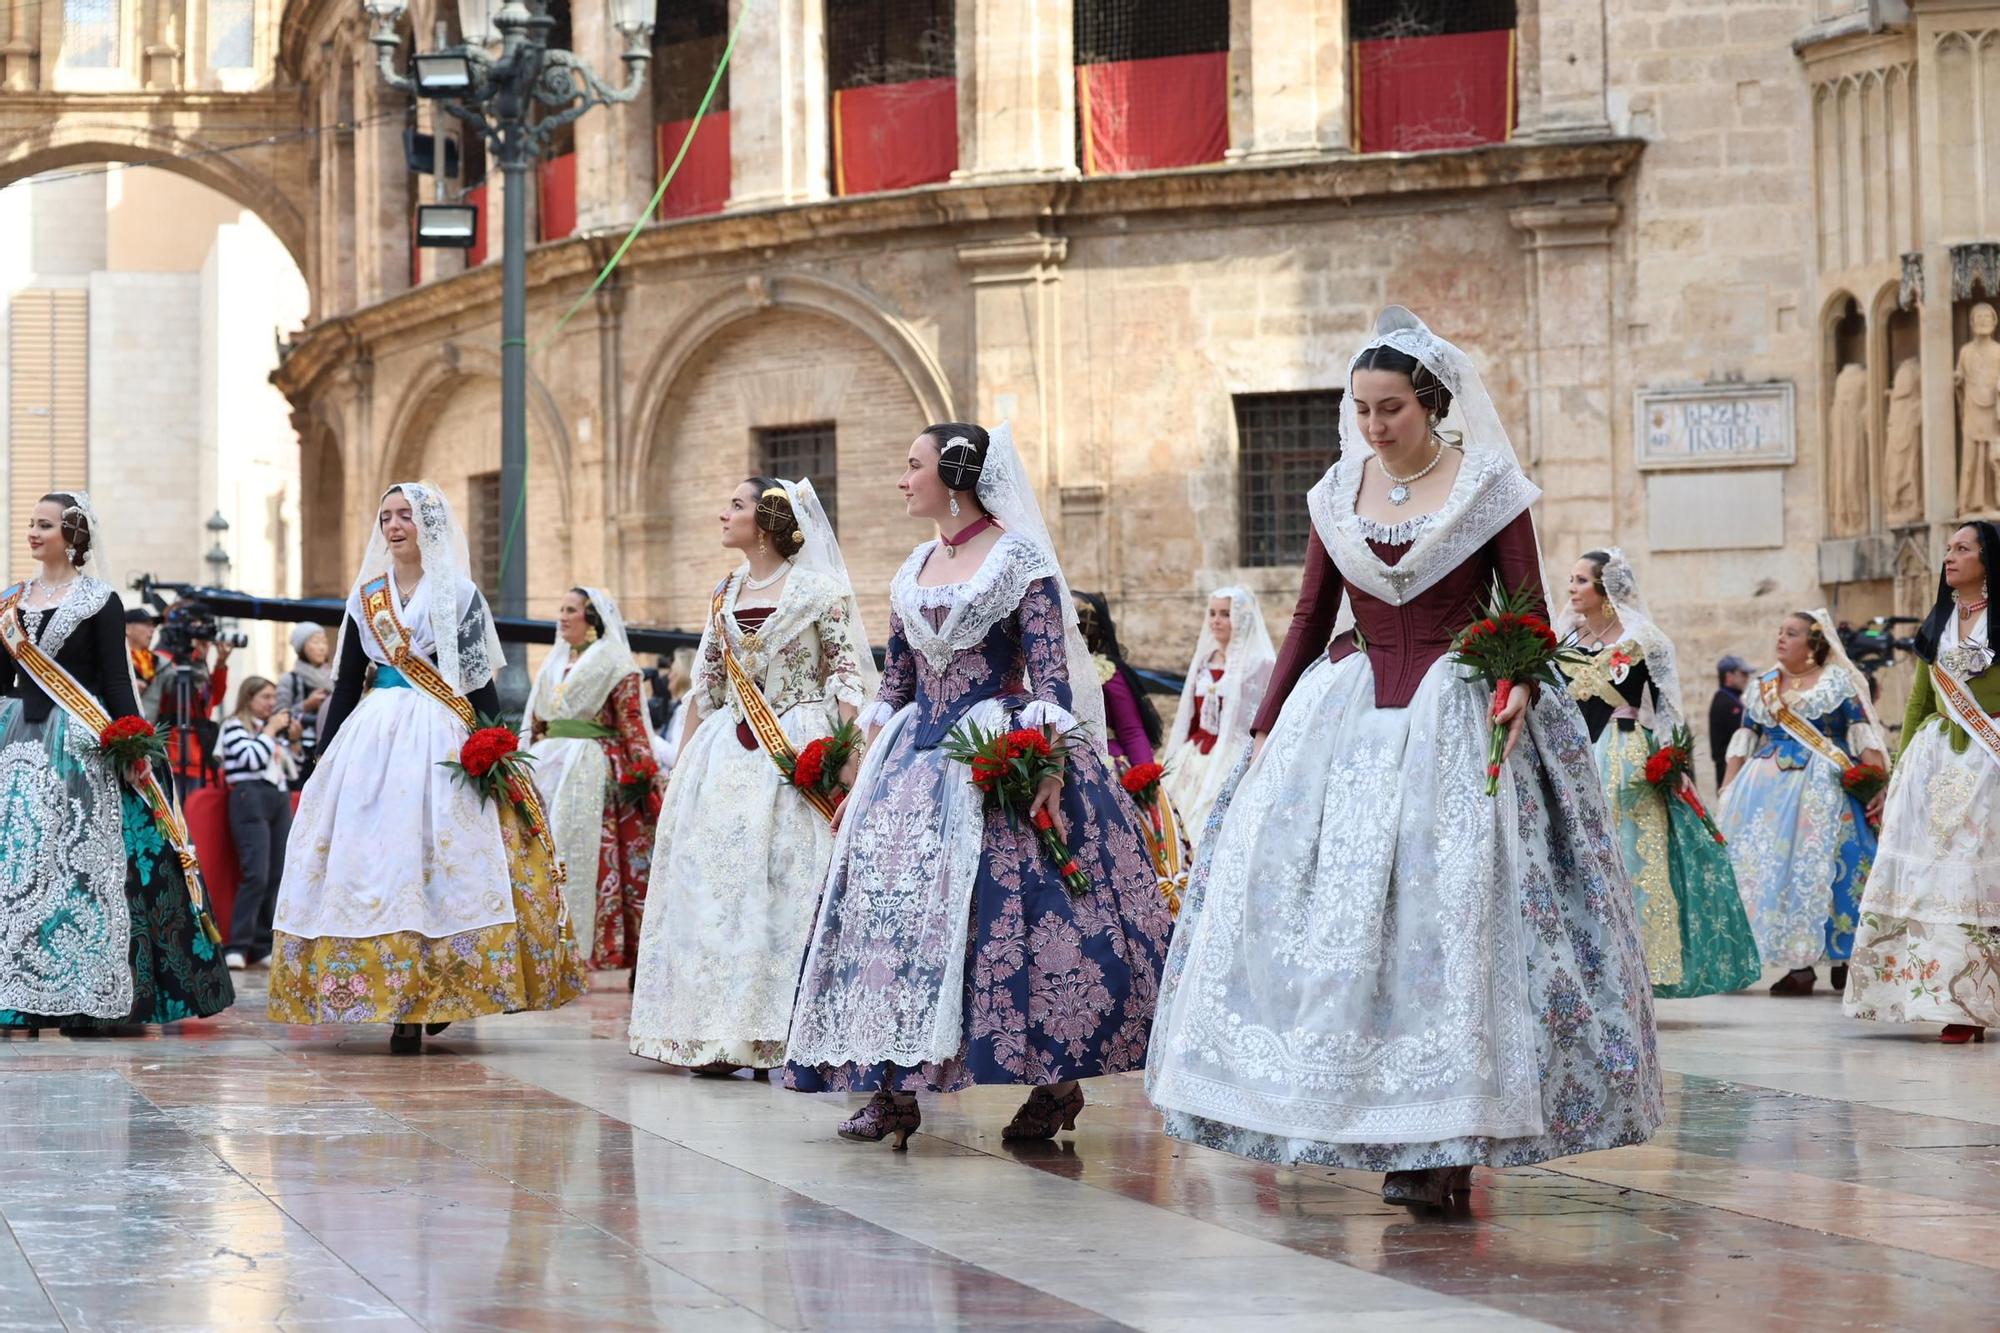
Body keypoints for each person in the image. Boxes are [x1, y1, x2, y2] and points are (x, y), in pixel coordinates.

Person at [1145, 308, 1662, 1211]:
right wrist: (1263, 734)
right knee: (1337, 922)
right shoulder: (1336, 493)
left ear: (1429, 403)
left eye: (1390, 408)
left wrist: (1521, 684)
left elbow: (1529, 612)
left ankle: (1443, 1137)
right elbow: (1309, 617)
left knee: (1450, 918)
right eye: (1363, 409)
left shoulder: (1490, 487)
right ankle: (1346, 1105)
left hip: (1459, 718)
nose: (1374, 426)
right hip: (1345, 720)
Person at [784, 423, 1171, 1149]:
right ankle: (891, 1090)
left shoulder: (1018, 560)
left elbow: (1053, 677)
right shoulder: (913, 566)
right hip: (911, 765)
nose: (902, 479)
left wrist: (1049, 769)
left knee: (1004, 925)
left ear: (955, 474)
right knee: (889, 923)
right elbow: (896, 682)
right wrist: (860, 770)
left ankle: (1055, 1085)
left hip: (995, 752)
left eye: (912, 465)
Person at [268, 482, 585, 1053]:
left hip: (440, 732)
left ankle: (435, 990)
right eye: (386, 516)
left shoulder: (458, 594)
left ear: (429, 526)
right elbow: (345, 683)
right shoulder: (364, 597)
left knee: (441, 859)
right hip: (372, 738)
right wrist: (323, 755)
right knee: (378, 861)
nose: (393, 525)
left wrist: (498, 747)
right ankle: (396, 996)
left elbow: (479, 679)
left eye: (406, 516)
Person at [628, 479, 874, 1074]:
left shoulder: (820, 591)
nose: (723, 513)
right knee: (718, 889)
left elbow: (846, 678)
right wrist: (680, 768)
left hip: (796, 748)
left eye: (736, 505)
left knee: (785, 887)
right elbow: (704, 689)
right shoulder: (723, 593)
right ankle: (718, 1033)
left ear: (765, 522)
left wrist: (847, 762)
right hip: (726, 754)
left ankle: (786, 1032)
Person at [0, 492, 233, 1035]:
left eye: (46, 525)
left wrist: (131, 745)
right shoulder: (10, 600)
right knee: (18, 864)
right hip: (15, 744)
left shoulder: (100, 601)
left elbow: (113, 683)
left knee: (81, 866)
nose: (33, 533)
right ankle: (16, 995)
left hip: (78, 744)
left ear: (73, 536)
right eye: (31, 524)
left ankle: (87, 994)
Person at [1557, 550, 1761, 999]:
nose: (1570, 589)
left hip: (1625, 753)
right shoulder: (1565, 637)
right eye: (1570, 580)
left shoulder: (1646, 640)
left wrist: (1671, 761)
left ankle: (1638, 967)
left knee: (1632, 855)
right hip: (1572, 755)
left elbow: (1669, 708)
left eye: (1580, 581)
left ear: (1605, 591)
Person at [1845, 521, 2000, 1042]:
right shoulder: (1940, 621)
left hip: (1989, 761)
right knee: (1930, 879)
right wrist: (1901, 767)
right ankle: (1926, 991)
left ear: (1989, 558)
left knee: (1972, 879)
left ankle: (1971, 1003)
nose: (1950, 557)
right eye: (1948, 549)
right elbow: (1916, 701)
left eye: (1962, 548)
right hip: (1934, 765)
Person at [1717, 610, 1888, 996]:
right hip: (1767, 794)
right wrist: (1728, 786)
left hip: (1827, 790)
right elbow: (1745, 737)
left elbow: (1863, 737)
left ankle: (1846, 958)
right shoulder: (1763, 686)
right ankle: (1799, 965)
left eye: (1790, 633)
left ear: (1813, 645)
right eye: (1779, 632)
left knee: (1838, 866)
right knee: (1777, 871)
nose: (1781, 639)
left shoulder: (1836, 684)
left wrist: (1876, 784)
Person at [523, 586, 662, 973]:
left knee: (586, 853)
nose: (562, 617)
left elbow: (632, 721)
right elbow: (536, 723)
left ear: (592, 620)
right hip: (549, 765)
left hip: (590, 769)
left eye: (571, 610)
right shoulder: (553, 663)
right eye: (561, 610)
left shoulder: (615, 663)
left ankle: (592, 944)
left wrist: (644, 773)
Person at [1159, 587, 1275, 835]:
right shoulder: (1205, 662)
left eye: (1225, 614)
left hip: (1235, 755)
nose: (1216, 621)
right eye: (1212, 613)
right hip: (1196, 755)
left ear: (1241, 618)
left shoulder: (1261, 665)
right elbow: (1192, 719)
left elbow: (1268, 717)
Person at [216, 676, 299, 970]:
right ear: (249, 697)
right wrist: (271, 731)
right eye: (265, 696)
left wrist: (294, 740)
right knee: (256, 873)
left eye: (273, 697)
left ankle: (263, 944)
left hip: (277, 796)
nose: (271, 703)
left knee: (276, 872)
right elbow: (250, 760)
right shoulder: (234, 725)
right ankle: (237, 945)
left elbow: (293, 767)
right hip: (249, 794)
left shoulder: (270, 731)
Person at [1073, 591, 1164, 768]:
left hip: (1104, 764)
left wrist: (1145, 776)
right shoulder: (1042, 671)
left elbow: (1131, 730)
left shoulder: (1104, 671)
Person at [274, 622, 335, 778]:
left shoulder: (335, 678)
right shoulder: (289, 680)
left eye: (324, 642)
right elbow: (277, 717)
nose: (322, 647)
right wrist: (306, 706)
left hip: (330, 747)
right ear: (301, 647)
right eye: (315, 642)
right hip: (298, 750)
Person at [1709, 655, 1751, 788]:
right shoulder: (1726, 703)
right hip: (1730, 772)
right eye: (1743, 674)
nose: (1746, 678)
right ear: (1729, 676)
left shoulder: (1731, 699)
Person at [126, 605, 162, 712]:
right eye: (147, 625)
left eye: (154, 625)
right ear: (127, 628)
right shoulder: (113, 659)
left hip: (153, 727)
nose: (152, 630)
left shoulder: (158, 661)